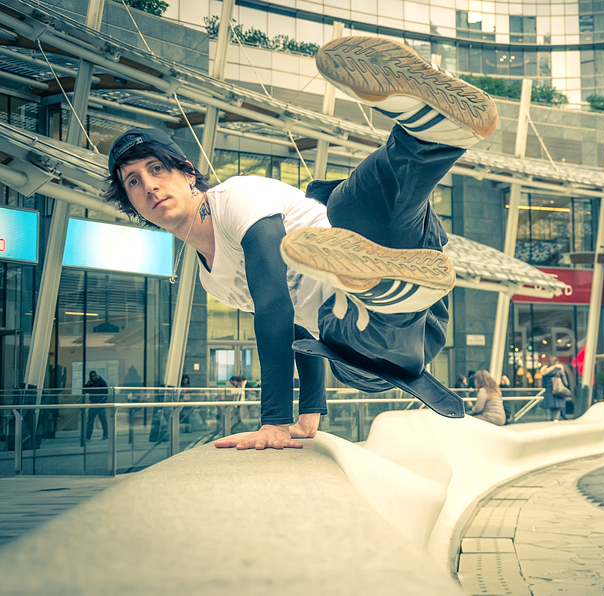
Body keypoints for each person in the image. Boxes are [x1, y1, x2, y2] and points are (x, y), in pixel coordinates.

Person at [102, 36, 498, 450]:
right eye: (133, 181)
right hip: (377, 349)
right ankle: (387, 285)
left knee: (346, 206)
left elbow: (273, 303)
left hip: (403, 285)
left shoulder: (237, 200)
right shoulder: (212, 281)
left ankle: (433, 130)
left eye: (156, 169)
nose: (149, 185)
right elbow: (297, 327)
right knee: (338, 336)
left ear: (186, 173)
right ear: (129, 203)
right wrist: (310, 410)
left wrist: (274, 419)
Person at [83, 371, 109, 440]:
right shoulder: (91, 383)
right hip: (93, 403)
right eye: (92, 376)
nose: (93, 377)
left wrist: (102, 401)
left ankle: (105, 435)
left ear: (96, 375)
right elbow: (85, 391)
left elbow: (106, 392)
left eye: (94, 376)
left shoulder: (101, 382)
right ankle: (88, 437)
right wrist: (87, 385)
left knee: (103, 420)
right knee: (90, 421)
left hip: (100, 404)